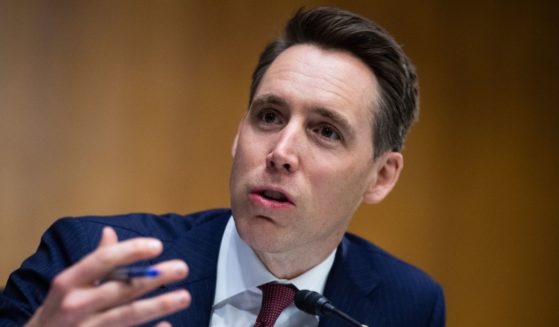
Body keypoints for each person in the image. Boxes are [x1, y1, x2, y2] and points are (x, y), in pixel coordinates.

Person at [0, 7, 445, 327]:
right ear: (238, 135)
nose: (281, 151)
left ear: (381, 176)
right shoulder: (88, 260)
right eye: (269, 117)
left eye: (326, 131)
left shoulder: (407, 304)